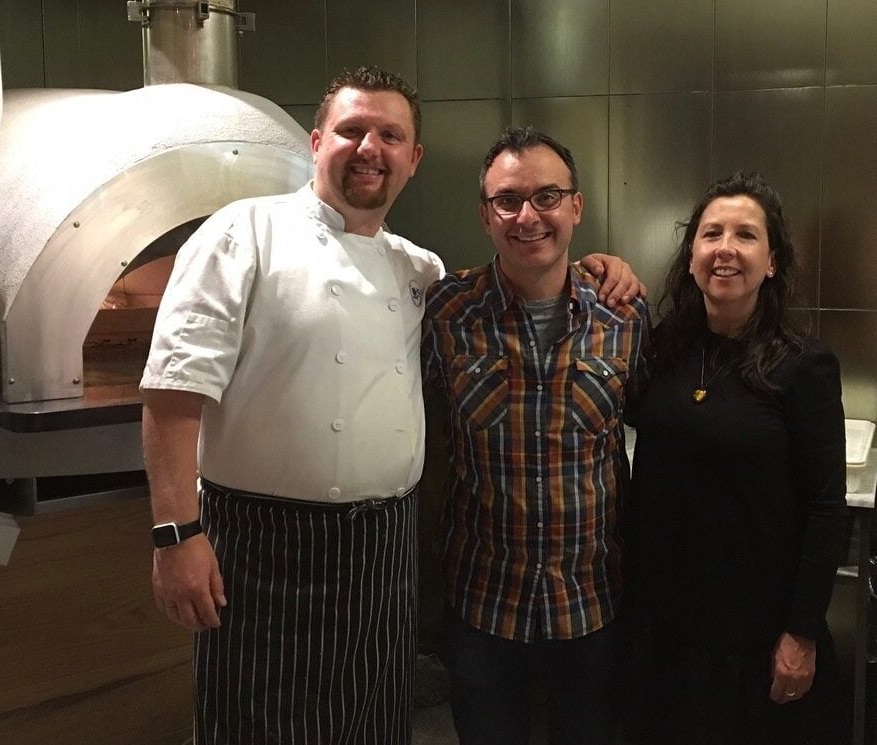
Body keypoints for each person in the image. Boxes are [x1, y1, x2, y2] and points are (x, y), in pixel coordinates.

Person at [141, 68, 640, 745]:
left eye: (390, 134)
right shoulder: (241, 235)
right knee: (253, 724)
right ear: (317, 142)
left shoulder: (418, 273)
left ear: (413, 158)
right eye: (352, 130)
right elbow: (174, 390)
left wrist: (598, 268)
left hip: (381, 552)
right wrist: (176, 534)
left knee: (371, 723)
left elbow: (530, 273)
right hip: (260, 548)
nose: (370, 146)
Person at [422, 126, 649, 745]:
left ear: (576, 207)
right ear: (485, 214)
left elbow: (664, 432)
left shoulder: (623, 314)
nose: (528, 216)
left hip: (593, 605)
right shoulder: (444, 313)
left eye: (548, 197)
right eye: (508, 200)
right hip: (483, 605)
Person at [623, 171, 847, 745]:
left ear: (772, 262)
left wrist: (800, 636)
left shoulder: (803, 366)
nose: (726, 249)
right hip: (665, 626)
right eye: (711, 234)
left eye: (746, 235)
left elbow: (827, 508)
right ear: (692, 255)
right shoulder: (661, 350)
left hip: (756, 634)